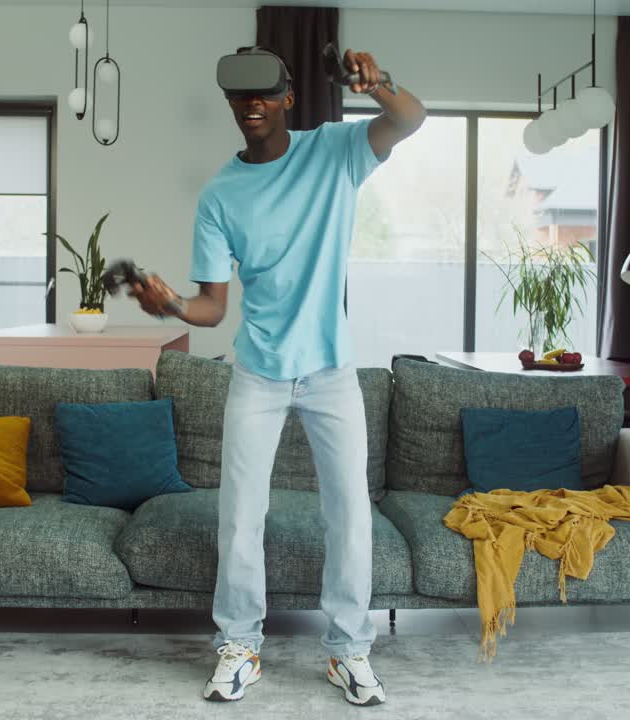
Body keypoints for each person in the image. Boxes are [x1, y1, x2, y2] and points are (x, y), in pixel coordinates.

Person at [130, 45, 425, 707]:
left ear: (287, 97)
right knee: (240, 517)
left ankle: (349, 653)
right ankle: (240, 647)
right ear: (231, 105)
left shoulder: (334, 153)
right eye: (239, 96)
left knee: (350, 514)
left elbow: (410, 119)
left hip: (330, 372)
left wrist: (378, 84)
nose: (251, 105)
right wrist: (172, 304)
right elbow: (211, 306)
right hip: (258, 373)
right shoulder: (220, 196)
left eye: (263, 93)